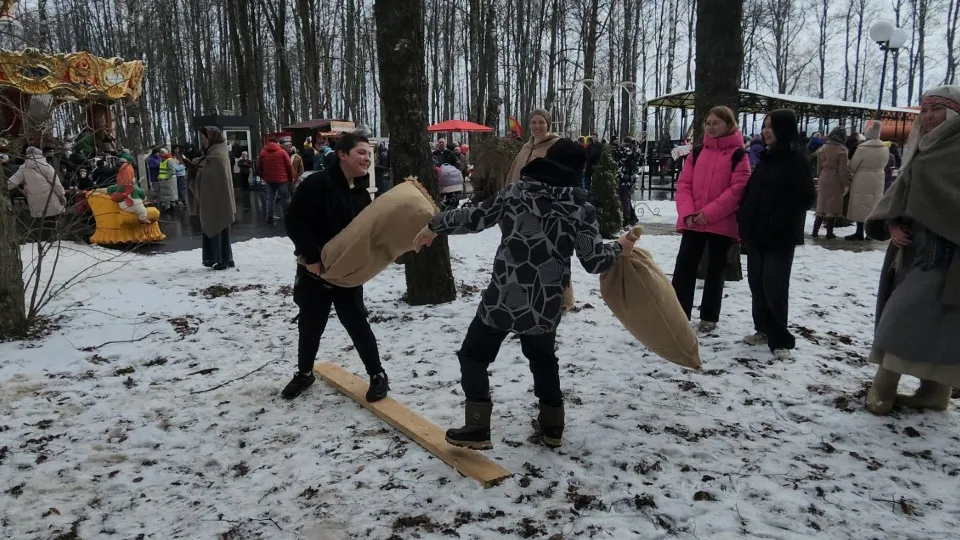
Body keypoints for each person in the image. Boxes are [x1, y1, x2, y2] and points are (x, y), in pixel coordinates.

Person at [411, 139, 635, 450]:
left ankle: (477, 426)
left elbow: (475, 217)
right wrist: (619, 248)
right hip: (545, 300)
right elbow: (593, 261)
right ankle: (553, 426)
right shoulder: (581, 209)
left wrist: (435, 225)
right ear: (579, 169)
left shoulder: (515, 193)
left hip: (503, 294)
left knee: (474, 355)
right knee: (543, 359)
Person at [863, 86, 960, 415]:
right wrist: (891, 224)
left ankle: (885, 388)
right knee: (921, 317)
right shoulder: (921, 147)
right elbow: (902, 195)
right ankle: (934, 392)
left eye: (937, 110)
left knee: (909, 317)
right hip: (911, 251)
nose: (929, 116)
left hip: (947, 254)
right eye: (925, 110)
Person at [282, 133, 388, 402]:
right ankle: (305, 373)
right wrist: (313, 260)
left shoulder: (362, 194)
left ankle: (377, 375)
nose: (367, 158)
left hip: (347, 274)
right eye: (361, 153)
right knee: (310, 324)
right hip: (313, 271)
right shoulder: (316, 184)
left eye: (369, 154)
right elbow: (295, 221)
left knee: (356, 322)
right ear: (342, 154)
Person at [738, 109, 816, 360]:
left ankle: (779, 337)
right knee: (757, 283)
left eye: (771, 126)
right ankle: (762, 328)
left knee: (774, 284)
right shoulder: (766, 158)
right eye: (764, 126)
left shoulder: (797, 160)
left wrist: (775, 221)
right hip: (756, 234)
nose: (765, 131)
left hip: (779, 236)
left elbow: (803, 198)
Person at [671, 106, 751, 333]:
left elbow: (738, 190)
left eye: (717, 122)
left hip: (721, 222)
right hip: (693, 221)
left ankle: (709, 315)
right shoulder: (697, 152)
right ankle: (678, 312)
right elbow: (684, 184)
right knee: (684, 266)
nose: (711, 127)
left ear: (729, 124)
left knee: (715, 269)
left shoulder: (739, 155)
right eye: (708, 123)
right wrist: (688, 213)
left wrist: (709, 213)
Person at [194, 127, 236, 270]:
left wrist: (197, 169)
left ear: (211, 138)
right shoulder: (212, 153)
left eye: (205, 138)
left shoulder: (217, 154)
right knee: (215, 225)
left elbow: (210, 173)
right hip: (213, 198)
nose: (203, 142)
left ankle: (222, 259)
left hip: (219, 198)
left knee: (220, 225)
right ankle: (216, 258)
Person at [7, 147, 65, 239]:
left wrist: (4, 187)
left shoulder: (23, 168)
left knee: (40, 220)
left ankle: (41, 239)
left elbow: (13, 181)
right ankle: (51, 239)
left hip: (34, 198)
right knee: (51, 218)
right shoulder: (46, 166)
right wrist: (61, 195)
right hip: (50, 197)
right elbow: (55, 183)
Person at [844, 121, 889, 241]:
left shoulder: (862, 148)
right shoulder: (885, 148)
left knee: (860, 205)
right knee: (873, 205)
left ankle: (859, 232)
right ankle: (870, 233)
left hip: (862, 178)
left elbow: (853, 166)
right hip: (879, 179)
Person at [501, 109, 560, 191]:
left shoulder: (557, 146)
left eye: (541, 122)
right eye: (533, 122)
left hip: (543, 199)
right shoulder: (526, 147)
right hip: (517, 199)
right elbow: (513, 173)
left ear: (548, 125)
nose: (537, 126)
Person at [812, 127, 850, 239]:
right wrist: (845, 184)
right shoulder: (842, 150)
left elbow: (818, 167)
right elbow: (842, 169)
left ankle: (815, 230)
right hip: (835, 177)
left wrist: (820, 176)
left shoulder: (822, 148)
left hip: (823, 175)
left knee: (822, 203)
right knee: (832, 205)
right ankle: (829, 232)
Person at [258, 137, 294, 225]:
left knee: (270, 198)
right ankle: (287, 215)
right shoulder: (282, 152)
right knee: (285, 198)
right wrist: (290, 177)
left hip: (269, 179)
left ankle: (270, 216)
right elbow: (289, 165)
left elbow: (259, 167)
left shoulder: (263, 152)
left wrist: (264, 176)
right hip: (282, 179)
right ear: (277, 143)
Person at [615, 136, 642, 226]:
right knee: (627, 197)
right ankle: (632, 217)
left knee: (624, 197)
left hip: (623, 176)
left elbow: (616, 159)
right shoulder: (636, 151)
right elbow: (639, 163)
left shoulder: (622, 150)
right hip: (631, 177)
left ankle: (627, 218)